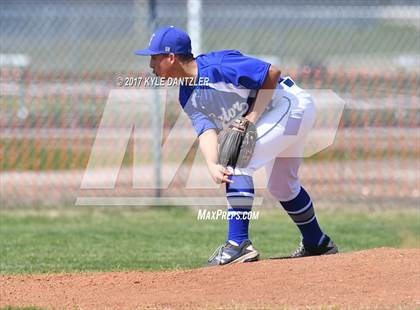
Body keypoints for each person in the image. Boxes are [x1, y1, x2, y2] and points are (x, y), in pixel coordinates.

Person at [135, 26, 338, 266]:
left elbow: (271, 73)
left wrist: (251, 117)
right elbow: (206, 129)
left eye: (155, 58)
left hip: (289, 105)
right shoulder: (186, 94)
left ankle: (238, 244)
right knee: (282, 186)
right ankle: (317, 241)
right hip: (278, 114)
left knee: (239, 160)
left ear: (171, 57)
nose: (151, 65)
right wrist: (212, 164)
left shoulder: (218, 66)